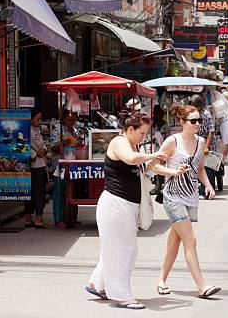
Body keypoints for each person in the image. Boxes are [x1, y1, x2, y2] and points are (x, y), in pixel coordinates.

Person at [86, 111, 167, 310]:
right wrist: (153, 154)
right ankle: (122, 295)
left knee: (117, 248)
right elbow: (131, 160)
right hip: (115, 204)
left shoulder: (133, 144)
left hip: (126, 204)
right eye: (141, 133)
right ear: (129, 129)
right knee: (123, 250)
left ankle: (96, 283)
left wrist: (156, 160)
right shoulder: (119, 142)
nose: (144, 137)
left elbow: (141, 168)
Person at [152, 105, 221, 299]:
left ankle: (161, 281)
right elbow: (153, 166)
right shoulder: (172, 142)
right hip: (173, 197)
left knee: (175, 241)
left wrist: (208, 185)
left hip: (191, 197)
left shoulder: (200, 142)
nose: (198, 124)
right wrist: (173, 172)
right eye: (193, 121)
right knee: (190, 240)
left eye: (199, 120)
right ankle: (202, 286)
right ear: (182, 122)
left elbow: (199, 169)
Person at [26, 109, 49, 229]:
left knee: (39, 192)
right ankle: (34, 218)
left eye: (40, 119)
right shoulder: (26, 131)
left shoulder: (37, 131)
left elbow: (43, 144)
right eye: (37, 119)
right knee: (34, 192)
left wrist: (43, 150)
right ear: (31, 119)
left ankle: (34, 217)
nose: (39, 122)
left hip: (40, 164)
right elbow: (24, 146)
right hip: (32, 165)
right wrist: (35, 154)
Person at [191, 95, 217, 197]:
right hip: (198, 146)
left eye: (195, 106)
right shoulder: (195, 115)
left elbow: (211, 131)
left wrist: (206, 147)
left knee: (208, 169)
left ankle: (208, 192)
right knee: (198, 168)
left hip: (207, 146)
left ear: (200, 105)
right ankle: (201, 190)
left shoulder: (206, 115)